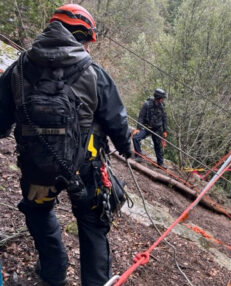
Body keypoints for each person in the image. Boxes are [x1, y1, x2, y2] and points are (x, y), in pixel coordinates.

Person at [0, 4, 132, 286]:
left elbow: (0, 122)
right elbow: (117, 121)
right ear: (83, 36)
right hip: (85, 170)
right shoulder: (94, 73)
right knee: (92, 224)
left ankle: (53, 273)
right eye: (88, 40)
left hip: (38, 169)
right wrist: (126, 148)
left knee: (38, 211)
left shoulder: (19, 69)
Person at [132, 88, 168, 167]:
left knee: (158, 145)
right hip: (147, 127)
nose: (163, 100)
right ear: (158, 98)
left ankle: (160, 163)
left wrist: (165, 130)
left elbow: (164, 118)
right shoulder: (147, 104)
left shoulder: (162, 106)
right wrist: (138, 128)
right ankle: (139, 156)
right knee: (135, 138)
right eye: (162, 98)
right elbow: (141, 117)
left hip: (157, 129)